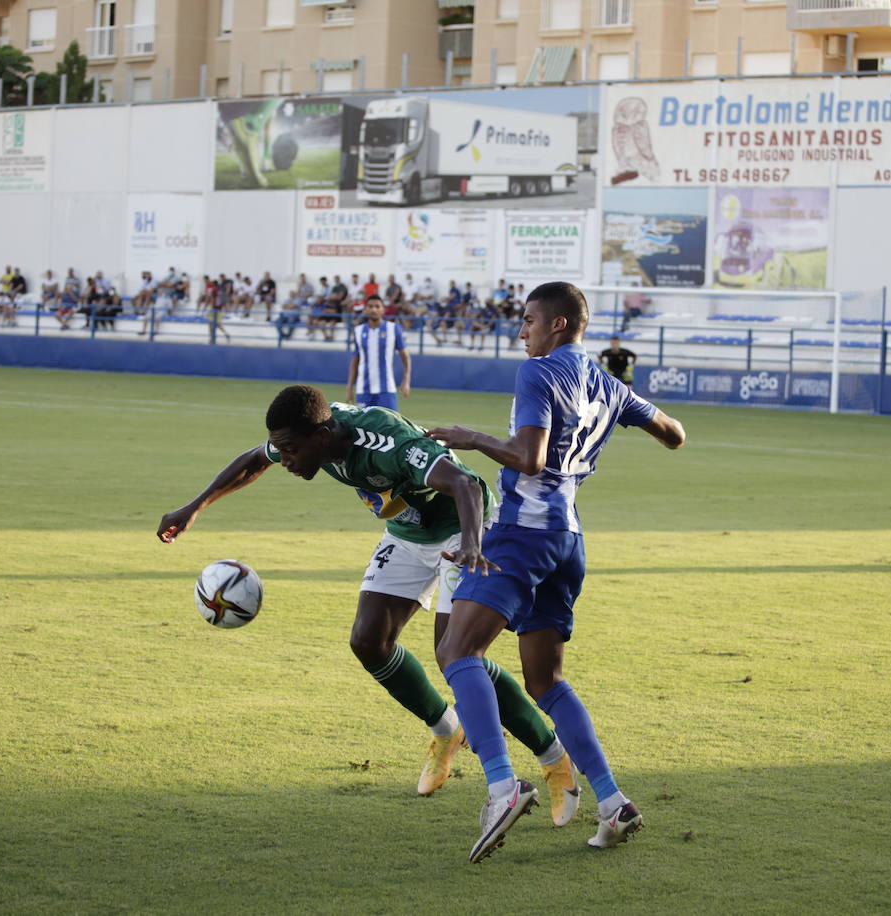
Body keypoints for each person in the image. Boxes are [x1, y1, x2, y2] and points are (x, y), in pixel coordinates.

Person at [156, 385, 578, 810]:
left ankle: (553, 757)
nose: (284, 460)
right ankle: (446, 729)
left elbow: (466, 484)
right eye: (281, 450)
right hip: (407, 534)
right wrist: (193, 507)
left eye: (290, 451)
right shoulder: (309, 431)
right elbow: (253, 459)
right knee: (368, 641)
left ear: (322, 437)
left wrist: (471, 543)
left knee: (456, 655)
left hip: (462, 530)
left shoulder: (386, 442)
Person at [426, 281, 686, 863]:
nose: (522, 330)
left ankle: (500, 787)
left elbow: (529, 458)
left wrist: (469, 437)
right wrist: (618, 410)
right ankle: (614, 802)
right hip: (568, 541)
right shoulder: (608, 383)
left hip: (523, 534)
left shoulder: (539, 372)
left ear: (558, 325)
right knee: (544, 682)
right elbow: (675, 435)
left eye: (528, 321)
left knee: (456, 652)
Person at [347, 294, 411, 410]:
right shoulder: (358, 331)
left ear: (383, 309)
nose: (374, 309)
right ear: (366, 309)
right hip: (364, 390)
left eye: (377, 306)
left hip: (386, 390)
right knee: (363, 427)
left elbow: (405, 357)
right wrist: (349, 387)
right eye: (370, 306)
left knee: (390, 426)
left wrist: (406, 380)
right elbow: (355, 361)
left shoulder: (393, 329)